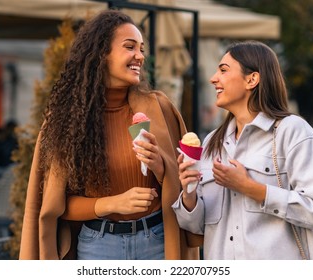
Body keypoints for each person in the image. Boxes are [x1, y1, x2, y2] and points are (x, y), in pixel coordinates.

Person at [19, 9, 199, 260]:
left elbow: (185, 189)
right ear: (101, 53)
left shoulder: (160, 108)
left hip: (157, 243)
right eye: (130, 47)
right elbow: (56, 206)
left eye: (142, 49)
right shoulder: (66, 120)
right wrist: (112, 204)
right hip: (98, 248)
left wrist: (160, 168)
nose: (140, 56)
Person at [172, 40, 313, 259]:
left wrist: (250, 187)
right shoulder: (212, 142)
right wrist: (189, 193)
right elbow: (196, 227)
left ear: (252, 79)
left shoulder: (293, 132)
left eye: (223, 70)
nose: (213, 78)